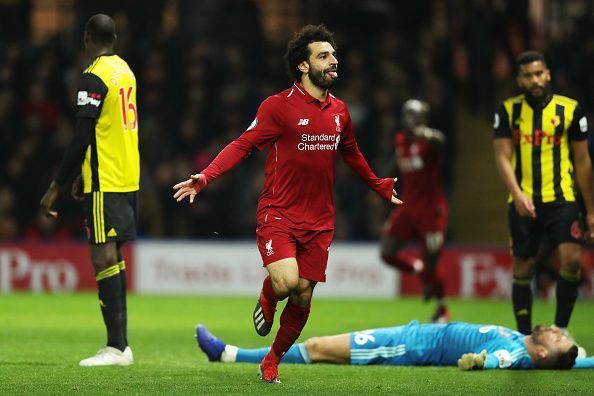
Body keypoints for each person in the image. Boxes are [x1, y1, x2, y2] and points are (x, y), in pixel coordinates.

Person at [173, 24, 400, 383]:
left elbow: (352, 154)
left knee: (303, 295)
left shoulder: (340, 111)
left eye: (334, 54)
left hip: (321, 219)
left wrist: (378, 184)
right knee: (285, 283)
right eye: (324, 56)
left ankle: (272, 360)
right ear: (304, 66)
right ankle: (267, 294)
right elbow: (243, 144)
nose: (333, 60)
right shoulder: (279, 107)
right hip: (278, 212)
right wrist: (205, 177)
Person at [40, 14, 139, 366]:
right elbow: (111, 127)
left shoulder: (93, 76)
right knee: (114, 254)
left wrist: (56, 186)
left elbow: (83, 133)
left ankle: (115, 347)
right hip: (127, 175)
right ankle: (122, 346)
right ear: (114, 37)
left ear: (86, 39)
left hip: (107, 179)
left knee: (102, 256)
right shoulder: (125, 71)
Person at [492, 50, 594, 344]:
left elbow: (583, 161)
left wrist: (590, 210)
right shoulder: (507, 111)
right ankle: (524, 337)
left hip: (562, 199)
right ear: (519, 79)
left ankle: (560, 330)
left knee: (571, 260)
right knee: (523, 267)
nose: (534, 80)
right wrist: (517, 193)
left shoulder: (570, 110)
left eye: (539, 73)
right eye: (527, 75)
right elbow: (501, 157)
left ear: (547, 74)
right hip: (523, 200)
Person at [195, 321, 594, 370]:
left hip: (409, 347)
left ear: (543, 354)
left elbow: (499, 360)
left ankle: (227, 354)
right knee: (318, 346)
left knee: (316, 346)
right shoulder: (532, 346)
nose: (559, 330)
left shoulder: (520, 353)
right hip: (418, 333)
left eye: (559, 339)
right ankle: (229, 353)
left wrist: (479, 362)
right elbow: (582, 362)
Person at [380, 99, 449, 322]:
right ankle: (418, 270)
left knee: (432, 263)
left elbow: (441, 142)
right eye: (408, 115)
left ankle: (442, 308)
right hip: (408, 209)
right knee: (387, 252)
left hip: (431, 211)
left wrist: (426, 133)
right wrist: (381, 186)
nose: (411, 120)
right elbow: (396, 163)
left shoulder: (428, 143)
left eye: (416, 116)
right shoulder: (400, 140)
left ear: (423, 119)